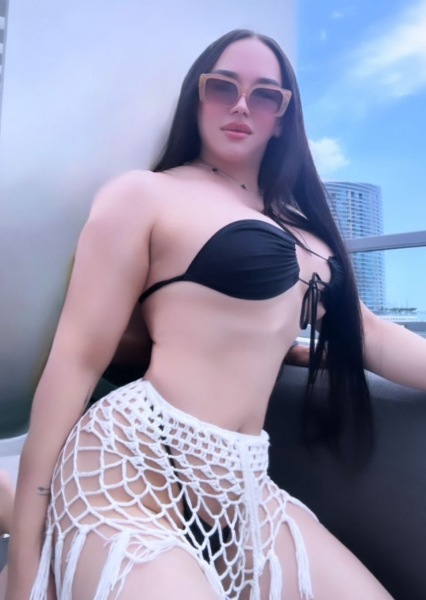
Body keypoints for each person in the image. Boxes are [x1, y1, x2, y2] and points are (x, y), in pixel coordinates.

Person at [5, 29, 426, 600]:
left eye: (265, 94)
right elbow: (76, 360)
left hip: (245, 491)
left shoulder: (305, 227)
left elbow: (370, 332)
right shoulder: (145, 195)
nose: (242, 105)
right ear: (196, 97)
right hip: (128, 473)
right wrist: (29, 552)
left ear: (283, 117)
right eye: (223, 86)